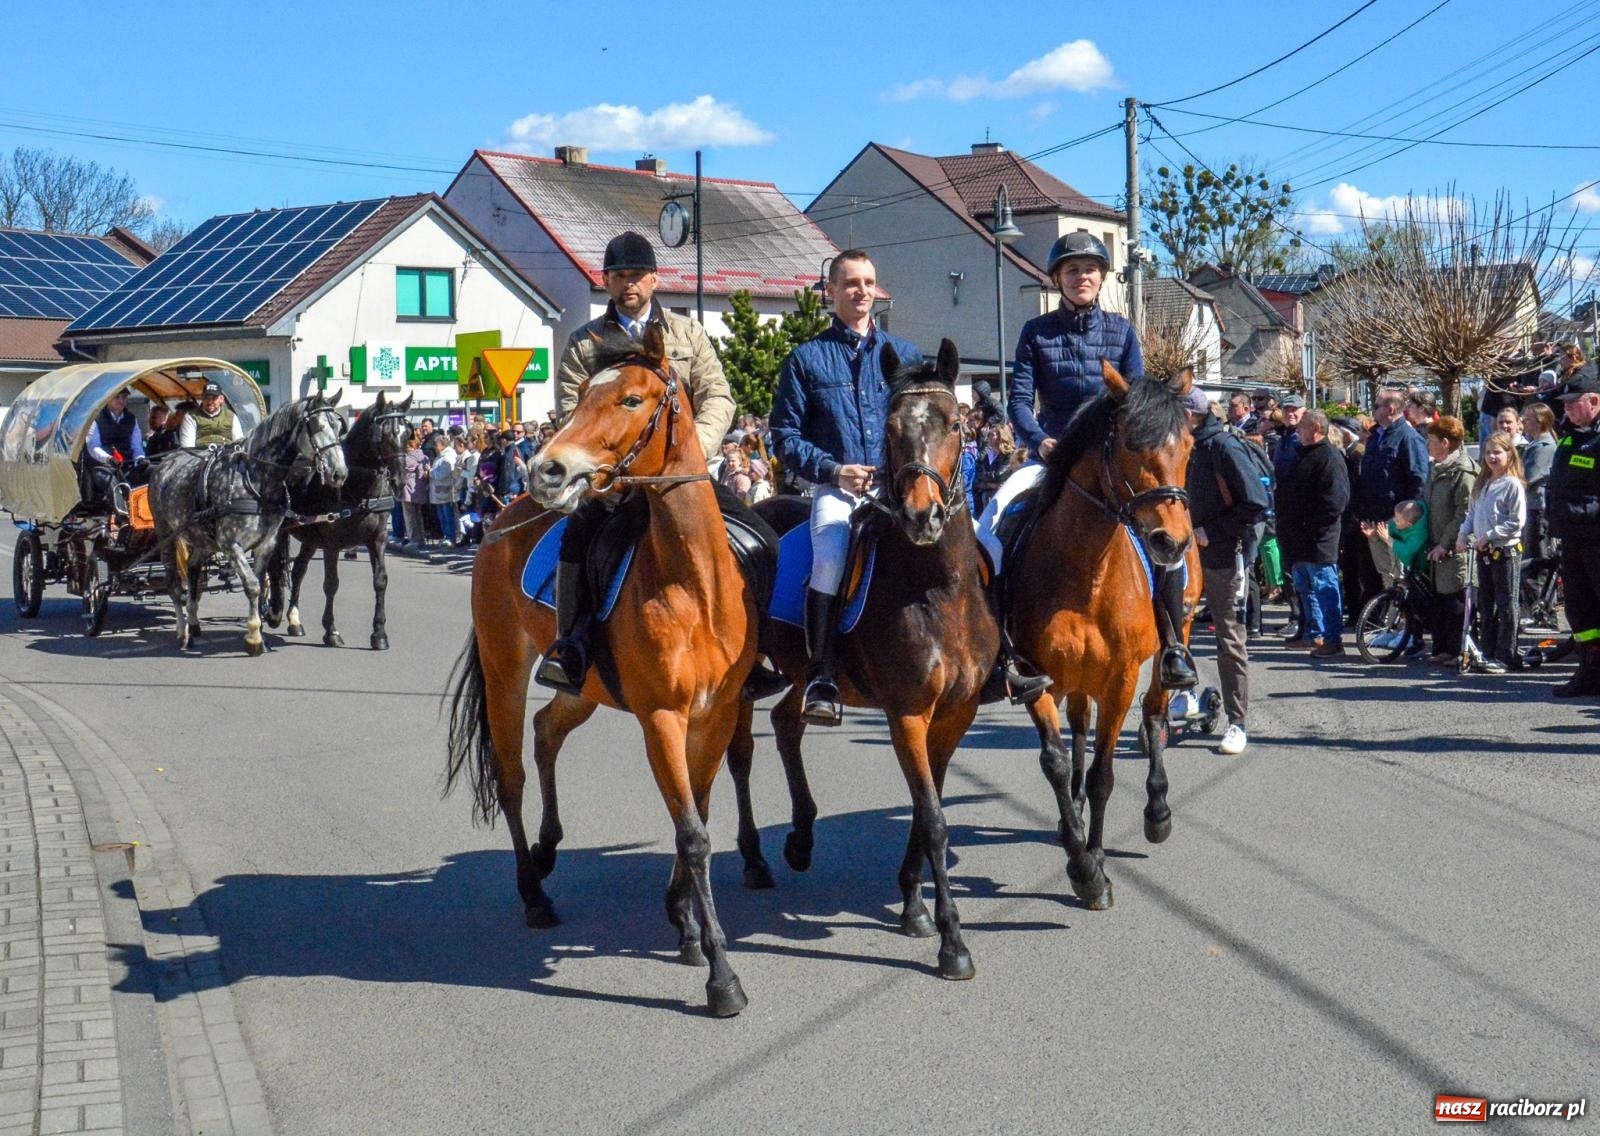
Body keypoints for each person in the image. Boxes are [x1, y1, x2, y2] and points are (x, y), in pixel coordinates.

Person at [772, 250, 1046, 724]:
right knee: (831, 555)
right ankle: (822, 674)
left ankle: (1003, 659)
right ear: (830, 292)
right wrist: (834, 470)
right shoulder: (806, 359)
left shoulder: (904, 355)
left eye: (868, 282)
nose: (861, 291)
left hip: (906, 488)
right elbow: (785, 436)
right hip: (841, 488)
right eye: (850, 283)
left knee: (989, 550)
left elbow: (929, 427)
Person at [538, 230, 785, 701]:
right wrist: (602, 473)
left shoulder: (687, 333)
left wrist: (693, 451)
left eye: (636, 275)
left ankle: (756, 651)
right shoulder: (585, 343)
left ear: (654, 279)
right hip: (615, 481)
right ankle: (570, 646)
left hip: (682, 476)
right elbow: (573, 411)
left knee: (764, 540)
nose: (627, 283)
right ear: (606, 282)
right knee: (578, 540)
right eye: (617, 276)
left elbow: (718, 395)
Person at [975, 230, 1196, 691]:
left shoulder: (1121, 330)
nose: (1082, 277)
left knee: (1166, 538)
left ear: (1101, 277)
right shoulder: (1036, 332)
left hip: (1111, 460)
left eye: (1090, 270)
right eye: (1073, 270)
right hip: (1052, 455)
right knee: (991, 526)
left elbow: (1138, 400)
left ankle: (1174, 646)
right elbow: (1020, 401)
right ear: (1058, 279)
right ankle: (997, 649)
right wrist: (1039, 441)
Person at [1182, 387, 1269, 754]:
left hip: (1222, 554)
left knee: (1229, 639)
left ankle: (1237, 722)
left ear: (1190, 414)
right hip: (1184, 556)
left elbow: (1257, 503)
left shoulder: (1223, 446)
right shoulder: (1182, 445)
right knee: (1176, 630)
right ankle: (1184, 695)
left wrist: (1211, 531)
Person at [1277, 410, 1351, 657]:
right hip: (1297, 538)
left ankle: (1332, 639)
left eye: (1303, 426)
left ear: (1317, 428)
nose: (1297, 430)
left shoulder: (1329, 457)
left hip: (1319, 538)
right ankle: (1314, 634)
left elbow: (1336, 500)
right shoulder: (1302, 454)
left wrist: (1314, 527)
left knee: (1324, 588)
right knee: (1305, 588)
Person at [1546, 372, 1600, 696]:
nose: (1565, 409)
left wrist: (1584, 512)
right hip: (1572, 539)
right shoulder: (1569, 437)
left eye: (1571, 402)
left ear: (1594, 400)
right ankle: (1590, 671)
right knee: (1580, 610)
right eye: (1563, 403)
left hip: (1596, 537)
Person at [1456, 432, 1527, 674]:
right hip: (1483, 552)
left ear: (1509, 454)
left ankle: (1506, 655)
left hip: (1505, 551)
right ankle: (1487, 652)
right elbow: (1472, 515)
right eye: (1488, 453)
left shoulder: (1512, 484)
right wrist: (1462, 534)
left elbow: (1516, 521)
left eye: (1497, 452)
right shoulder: (1483, 484)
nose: (1492, 457)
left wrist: (1489, 535)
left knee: (1506, 605)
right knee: (1487, 605)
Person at [1357, 389, 1431, 595]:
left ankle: (1403, 614)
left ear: (1390, 409)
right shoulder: (1375, 436)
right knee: (1384, 576)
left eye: (1376, 406)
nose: (1372, 411)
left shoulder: (1408, 438)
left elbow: (1418, 480)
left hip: (1395, 523)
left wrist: (1403, 519)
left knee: (1398, 578)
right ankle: (1387, 613)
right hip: (1375, 519)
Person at [1421, 417, 1478, 664]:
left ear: (1445, 443)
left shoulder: (1463, 472)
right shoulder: (1436, 469)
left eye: (1431, 440)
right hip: (1436, 543)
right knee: (1441, 599)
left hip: (1456, 547)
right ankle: (1443, 648)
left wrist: (1445, 544)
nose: (1427, 444)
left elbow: (1463, 513)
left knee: (1456, 600)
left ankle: (1460, 651)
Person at [1365, 499, 1432, 654]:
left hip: (1422, 569)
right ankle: (1392, 629)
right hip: (1411, 568)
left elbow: (1407, 554)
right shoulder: (1402, 522)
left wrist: (1388, 539)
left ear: (1409, 524)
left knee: (1414, 602)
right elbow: (1389, 528)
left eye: (1398, 520)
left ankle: (1411, 635)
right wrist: (1375, 533)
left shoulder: (1419, 532)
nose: (1394, 522)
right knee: (1398, 592)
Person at [1519, 401, 1558, 613]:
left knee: (1537, 560)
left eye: (1527, 419)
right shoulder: (1534, 445)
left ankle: (1541, 609)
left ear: (1540, 421)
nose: (1523, 422)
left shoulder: (1545, 447)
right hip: (1530, 508)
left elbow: (1529, 477)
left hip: (1538, 510)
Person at [85, 388, 147, 507]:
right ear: (108, 399)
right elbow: (93, 447)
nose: (121, 401)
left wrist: (140, 458)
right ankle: (122, 512)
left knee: (152, 472)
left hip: (127, 464)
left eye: (124, 397)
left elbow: (136, 446)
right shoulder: (96, 419)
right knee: (110, 481)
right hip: (103, 466)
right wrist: (109, 459)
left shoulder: (132, 419)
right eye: (117, 397)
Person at [178, 382, 243, 448]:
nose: (210, 402)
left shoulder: (231, 416)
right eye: (207, 398)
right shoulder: (191, 417)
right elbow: (187, 446)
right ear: (202, 398)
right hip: (200, 453)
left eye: (214, 398)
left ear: (221, 399)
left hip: (227, 453)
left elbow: (239, 442)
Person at [971, 418, 1013, 516]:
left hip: (1000, 498)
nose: (989, 437)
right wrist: (990, 485)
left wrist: (985, 479)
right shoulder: (987, 456)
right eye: (989, 434)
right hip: (983, 499)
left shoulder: (1009, 455)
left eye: (993, 435)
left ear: (1002, 436)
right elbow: (976, 478)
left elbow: (998, 475)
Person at [429, 434, 460, 550]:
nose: (435, 447)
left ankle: (451, 537)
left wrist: (430, 472)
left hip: (446, 491)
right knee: (442, 516)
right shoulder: (440, 456)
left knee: (448, 516)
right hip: (438, 492)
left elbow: (443, 474)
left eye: (436, 445)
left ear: (442, 445)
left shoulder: (448, 457)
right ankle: (446, 536)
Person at [399, 433, 430, 548]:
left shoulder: (409, 458)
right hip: (419, 489)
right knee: (417, 516)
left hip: (409, 490)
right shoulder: (423, 456)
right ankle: (420, 539)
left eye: (407, 445)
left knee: (410, 517)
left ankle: (414, 540)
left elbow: (401, 467)